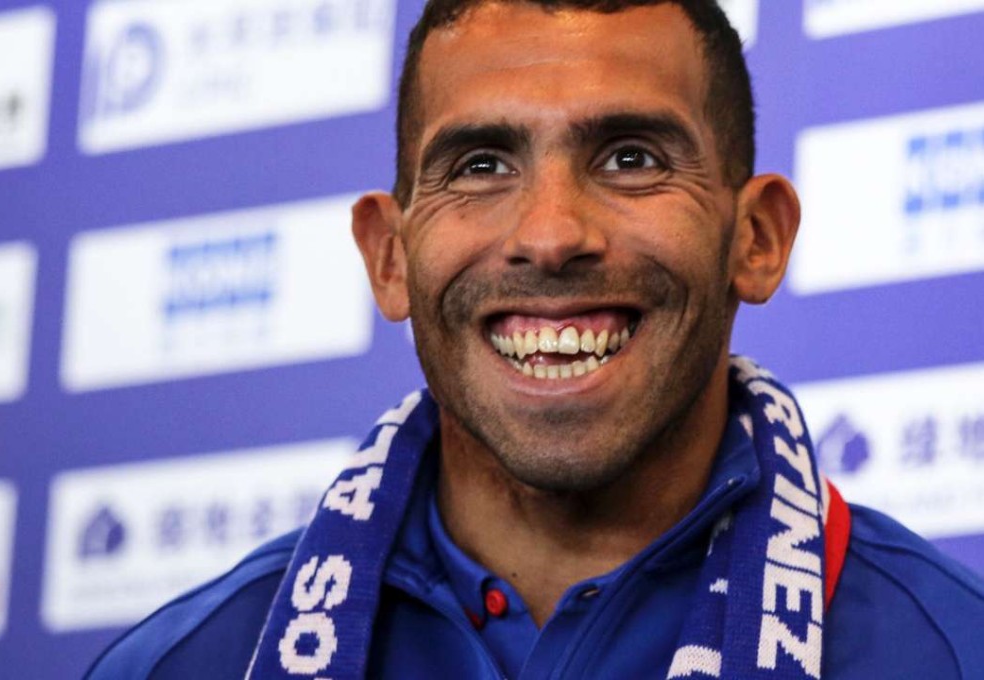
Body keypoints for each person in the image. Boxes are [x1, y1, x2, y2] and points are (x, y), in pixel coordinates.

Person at [86, 1, 984, 678]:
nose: (551, 234)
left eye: (631, 157)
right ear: (390, 258)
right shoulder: (189, 662)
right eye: (480, 166)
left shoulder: (949, 647)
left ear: (757, 238)